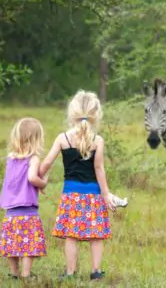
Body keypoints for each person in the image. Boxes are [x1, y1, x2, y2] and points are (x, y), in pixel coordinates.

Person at [39, 90, 127, 281]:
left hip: (71, 195)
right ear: (96, 115)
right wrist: (106, 194)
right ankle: (96, 271)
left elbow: (46, 163)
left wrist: (37, 178)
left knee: (71, 235)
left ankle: (70, 272)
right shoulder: (98, 141)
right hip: (93, 195)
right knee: (96, 235)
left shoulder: (63, 138)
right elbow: (99, 169)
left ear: (72, 114)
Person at [0, 117, 49, 280]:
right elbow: (32, 178)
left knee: (12, 243)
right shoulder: (33, 159)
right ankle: (26, 274)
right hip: (27, 210)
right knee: (29, 244)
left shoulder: (11, 158)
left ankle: (14, 273)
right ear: (36, 139)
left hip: (11, 211)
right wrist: (43, 183)